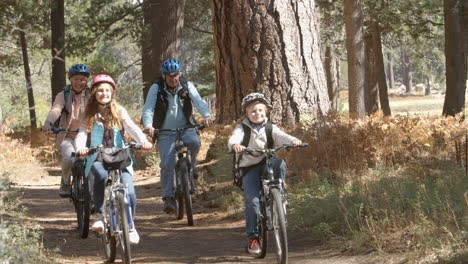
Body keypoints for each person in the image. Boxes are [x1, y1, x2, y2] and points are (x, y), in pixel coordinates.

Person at [75, 74, 152, 244]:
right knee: (100, 176)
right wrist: (81, 148)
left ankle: (130, 226)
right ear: (95, 93)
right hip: (98, 156)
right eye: (100, 90)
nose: (104, 93)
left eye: (107, 90)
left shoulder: (119, 110)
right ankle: (100, 215)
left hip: (120, 156)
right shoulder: (89, 114)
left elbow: (132, 128)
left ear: (112, 93)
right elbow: (82, 133)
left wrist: (143, 141)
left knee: (130, 192)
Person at [227, 93, 303, 255]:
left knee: (280, 163)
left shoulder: (270, 128)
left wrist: (294, 140)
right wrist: (235, 145)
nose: (257, 114)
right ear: (246, 114)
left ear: (266, 112)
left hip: (267, 163)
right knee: (253, 202)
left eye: (260, 110)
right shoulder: (242, 128)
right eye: (253, 111)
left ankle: (279, 194)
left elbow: (282, 136)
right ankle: (254, 238)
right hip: (249, 168)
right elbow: (234, 138)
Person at [142, 59, 213, 214]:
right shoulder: (156, 88)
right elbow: (148, 108)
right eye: (169, 77)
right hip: (165, 131)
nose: (173, 79)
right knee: (167, 164)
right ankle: (168, 198)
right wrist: (149, 126)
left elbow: (199, 101)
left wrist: (207, 115)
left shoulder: (187, 86)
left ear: (180, 74)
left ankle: (191, 166)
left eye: (176, 76)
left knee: (194, 142)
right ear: (164, 76)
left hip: (186, 127)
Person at [42, 64, 91, 197]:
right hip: (67, 134)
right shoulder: (63, 95)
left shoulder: (91, 94)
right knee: (69, 158)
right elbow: (56, 109)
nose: (79, 82)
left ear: (86, 81)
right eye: (76, 79)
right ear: (70, 80)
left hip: (88, 135)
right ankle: (65, 181)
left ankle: (92, 193)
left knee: (93, 162)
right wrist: (48, 122)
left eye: (82, 79)